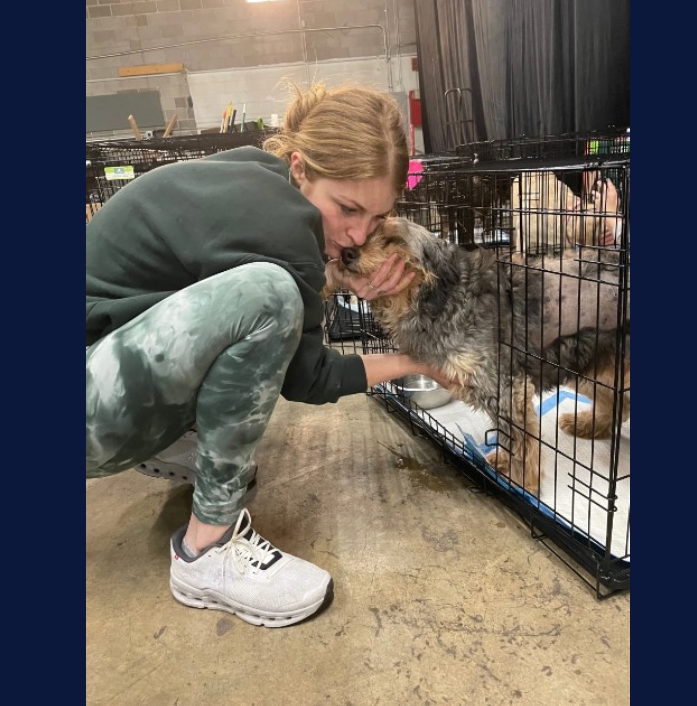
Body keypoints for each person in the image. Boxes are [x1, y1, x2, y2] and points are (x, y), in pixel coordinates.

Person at [86, 82, 455, 628]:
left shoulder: (260, 174)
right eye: (347, 209)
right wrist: (419, 361)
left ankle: (180, 444)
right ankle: (205, 552)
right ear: (302, 168)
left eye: (376, 219)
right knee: (269, 296)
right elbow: (307, 376)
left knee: (265, 301)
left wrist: (337, 275)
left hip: (103, 366)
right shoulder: (282, 223)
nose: (357, 235)